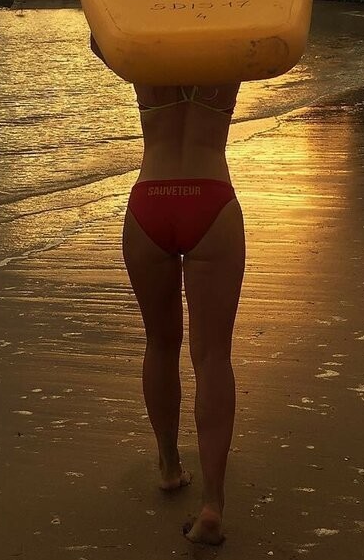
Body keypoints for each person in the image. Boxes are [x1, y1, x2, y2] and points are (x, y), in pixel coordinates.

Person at [122, 80, 244, 545]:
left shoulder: (145, 46)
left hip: (150, 200)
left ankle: (170, 466)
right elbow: (280, 50)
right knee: (212, 357)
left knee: (160, 343)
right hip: (210, 196)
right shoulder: (227, 44)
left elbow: (100, 45)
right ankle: (212, 503)